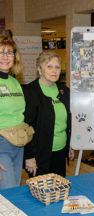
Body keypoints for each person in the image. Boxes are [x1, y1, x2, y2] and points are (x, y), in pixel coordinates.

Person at [23, 51, 74, 177]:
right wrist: (29, 156)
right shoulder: (30, 92)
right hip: (39, 155)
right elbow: (25, 127)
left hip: (60, 152)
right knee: (41, 193)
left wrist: (70, 146)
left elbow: (68, 122)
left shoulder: (64, 91)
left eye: (57, 67)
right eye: (49, 66)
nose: (54, 70)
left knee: (58, 190)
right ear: (39, 69)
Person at [0, 34, 25, 189]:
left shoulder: (14, 82)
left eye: (9, 52)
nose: (6, 56)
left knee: (14, 190)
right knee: (7, 192)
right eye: (1, 52)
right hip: (1, 143)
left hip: (17, 143)